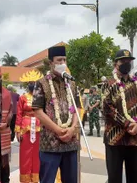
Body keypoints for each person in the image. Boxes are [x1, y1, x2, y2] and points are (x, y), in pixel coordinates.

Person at [32, 45, 81, 183]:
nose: (62, 63)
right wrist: (58, 130)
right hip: (50, 144)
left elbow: (77, 108)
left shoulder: (71, 83)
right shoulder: (41, 83)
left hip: (71, 143)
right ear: (51, 62)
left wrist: (72, 129)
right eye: (59, 60)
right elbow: (38, 111)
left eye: (64, 60)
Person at [102, 49, 137, 183]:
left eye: (129, 61)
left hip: (134, 139)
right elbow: (107, 109)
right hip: (115, 139)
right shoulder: (109, 84)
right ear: (115, 64)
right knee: (114, 178)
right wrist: (128, 124)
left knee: (135, 178)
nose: (126, 64)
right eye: (123, 61)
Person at [15, 70, 43, 182]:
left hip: (38, 128)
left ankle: (36, 178)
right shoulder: (23, 98)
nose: (33, 84)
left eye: (35, 82)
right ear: (28, 84)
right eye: (31, 82)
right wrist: (17, 130)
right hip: (25, 129)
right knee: (25, 155)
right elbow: (19, 114)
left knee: (37, 154)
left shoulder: (41, 97)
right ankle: (25, 178)